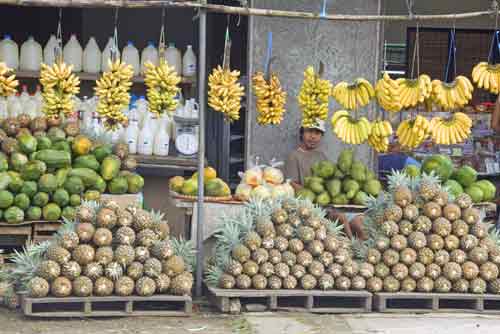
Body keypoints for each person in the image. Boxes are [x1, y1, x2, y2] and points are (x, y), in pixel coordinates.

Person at [284, 120, 366, 240]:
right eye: (309, 131)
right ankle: (350, 246)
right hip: (311, 205)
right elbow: (292, 183)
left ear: (321, 136)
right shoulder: (294, 156)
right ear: (302, 133)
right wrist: (315, 196)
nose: (313, 136)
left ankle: (361, 251)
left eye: (317, 133)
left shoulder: (321, 155)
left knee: (359, 222)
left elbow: (331, 179)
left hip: (329, 203)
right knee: (340, 217)